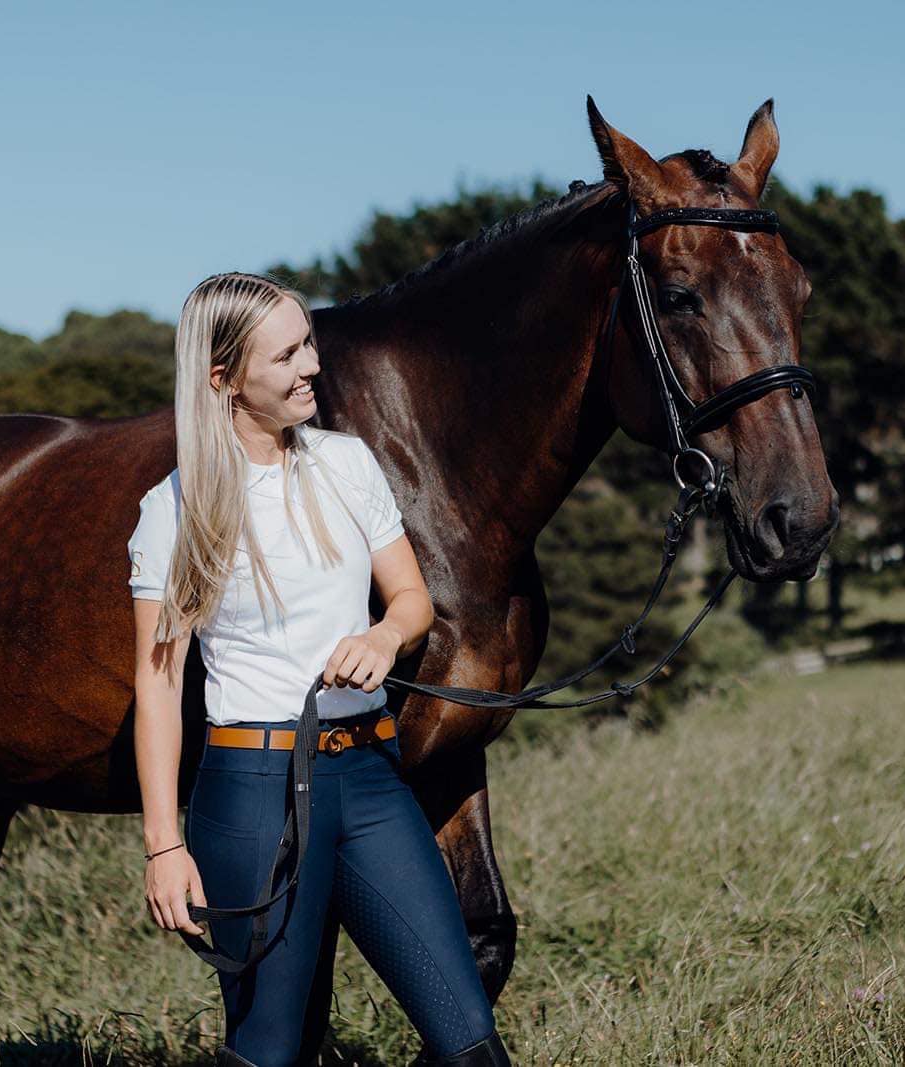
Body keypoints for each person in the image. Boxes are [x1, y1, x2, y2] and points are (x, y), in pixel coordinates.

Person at [127, 272, 511, 1067]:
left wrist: (384, 637)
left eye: (310, 343)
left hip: (369, 778)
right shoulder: (173, 512)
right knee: (273, 1052)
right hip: (250, 793)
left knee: (469, 1040)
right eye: (287, 354)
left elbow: (410, 598)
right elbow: (158, 685)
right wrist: (165, 844)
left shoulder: (346, 463)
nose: (312, 366)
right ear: (222, 378)